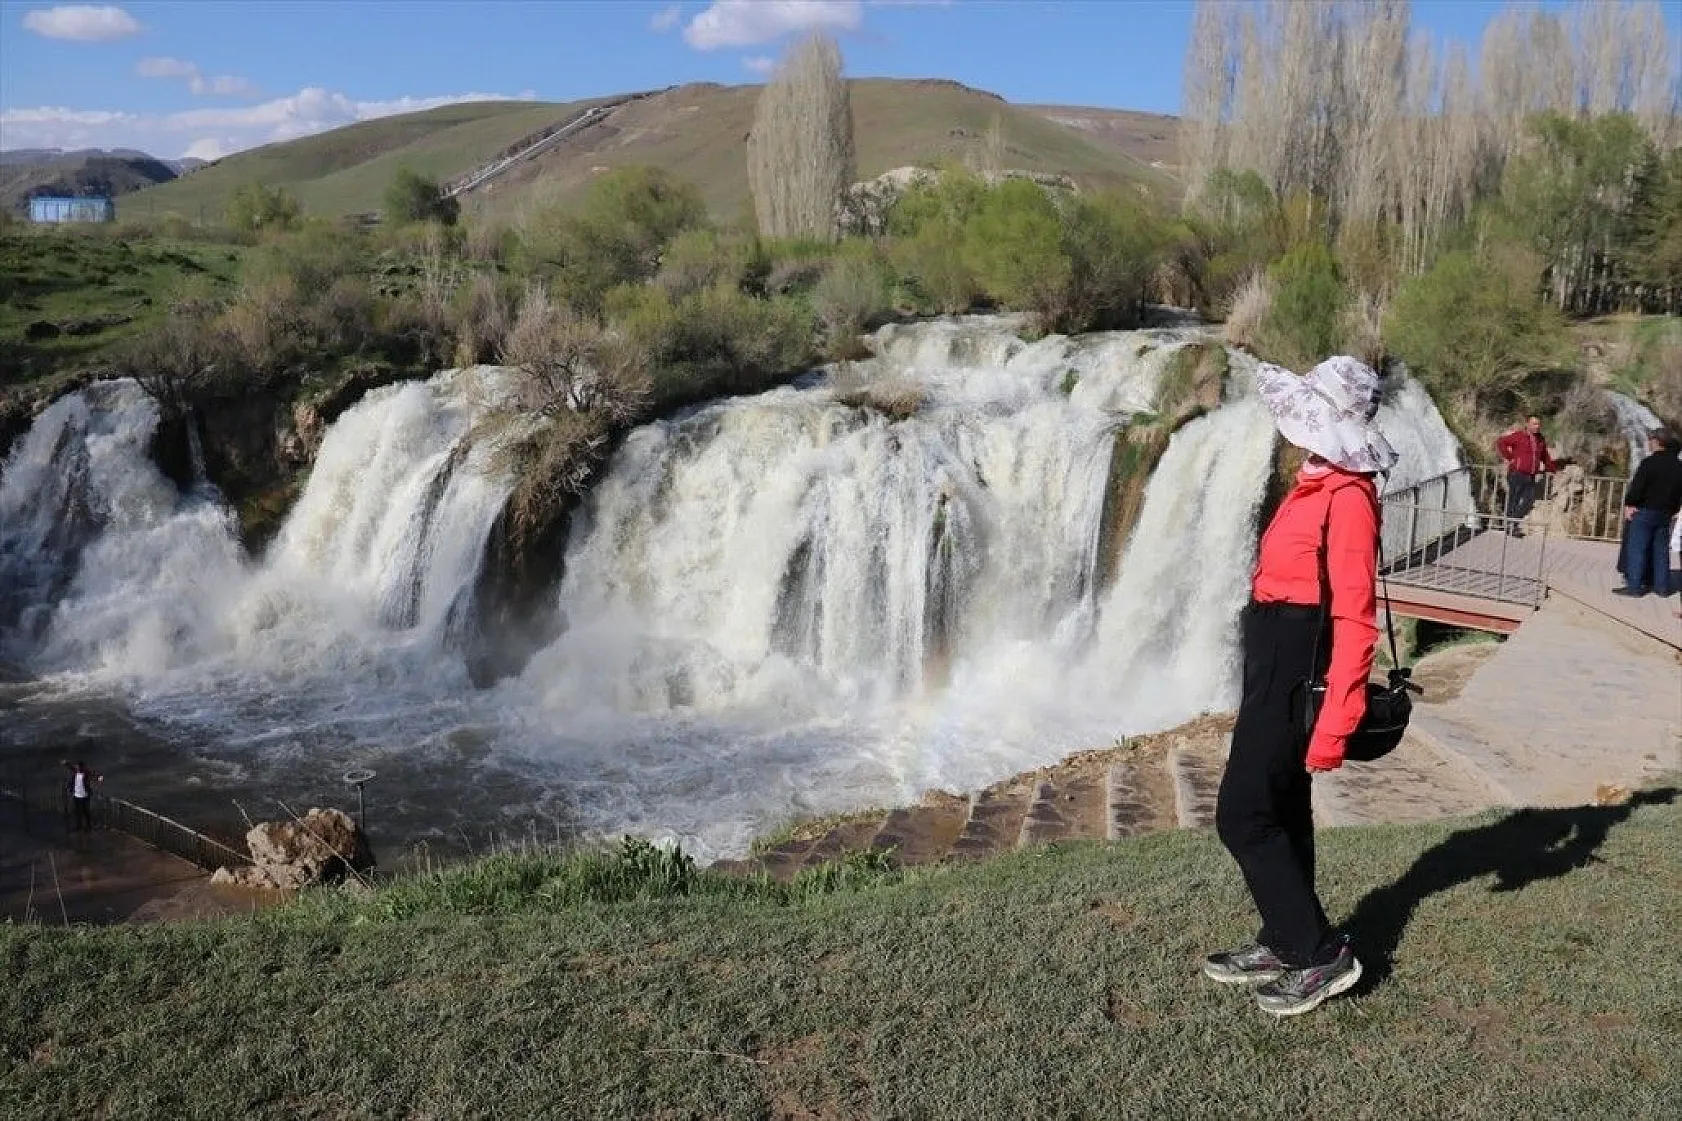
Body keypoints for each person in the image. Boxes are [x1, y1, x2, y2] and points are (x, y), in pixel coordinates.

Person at [1204, 354, 1396, 1017]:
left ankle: (1319, 952)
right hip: (1273, 658)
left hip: (1297, 668)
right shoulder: (1319, 478)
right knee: (1281, 805)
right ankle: (1286, 937)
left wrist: (1337, 721)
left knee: (1242, 813)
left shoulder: (1348, 497)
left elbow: (1354, 616)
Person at [1613, 427, 1682, 598]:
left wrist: (1630, 503)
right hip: (1665, 513)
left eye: (1650, 440)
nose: (1648, 443)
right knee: (1661, 552)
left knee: (1638, 549)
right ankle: (1662, 588)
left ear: (1657, 442)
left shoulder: (1648, 463)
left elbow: (1637, 488)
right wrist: (1674, 509)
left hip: (1645, 512)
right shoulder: (1678, 466)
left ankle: (1634, 587)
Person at [1495, 416, 1556, 534]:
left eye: (1538, 424)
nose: (1537, 426)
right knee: (1514, 500)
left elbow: (1544, 456)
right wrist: (1509, 457)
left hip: (1531, 475)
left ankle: (1512, 523)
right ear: (1527, 424)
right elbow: (1501, 442)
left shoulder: (1540, 439)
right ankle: (1510, 526)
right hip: (1517, 473)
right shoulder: (1519, 436)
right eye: (1534, 424)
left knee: (1529, 500)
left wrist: (1552, 469)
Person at [63, 760, 101, 832]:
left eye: (78, 767)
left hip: (84, 795)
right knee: (77, 811)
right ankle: (79, 825)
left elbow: (92, 776)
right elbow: (70, 766)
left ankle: (88, 826)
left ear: (82, 767)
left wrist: (98, 778)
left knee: (85, 811)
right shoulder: (75, 772)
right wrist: (65, 763)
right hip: (76, 795)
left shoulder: (86, 773)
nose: (77, 768)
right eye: (77, 767)